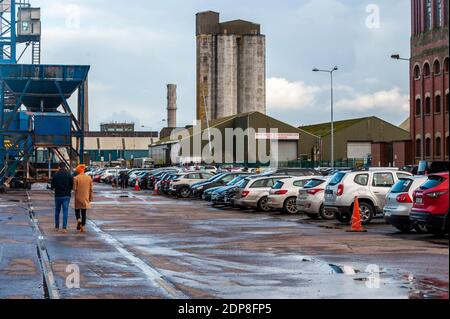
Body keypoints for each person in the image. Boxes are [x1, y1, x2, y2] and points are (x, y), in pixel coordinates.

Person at [51, 162, 73, 233]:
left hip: (58, 195)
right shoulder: (69, 175)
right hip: (66, 195)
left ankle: (57, 227)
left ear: (59, 167)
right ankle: (64, 228)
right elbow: (71, 186)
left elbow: (52, 186)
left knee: (57, 211)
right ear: (65, 167)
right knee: (65, 211)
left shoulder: (56, 175)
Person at [73, 164, 93, 233]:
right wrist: (90, 198)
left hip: (78, 197)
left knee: (77, 211)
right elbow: (91, 189)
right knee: (84, 212)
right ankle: (83, 224)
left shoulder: (76, 178)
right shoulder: (89, 178)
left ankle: (78, 219)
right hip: (85, 197)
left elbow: (74, 189)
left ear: (78, 170)